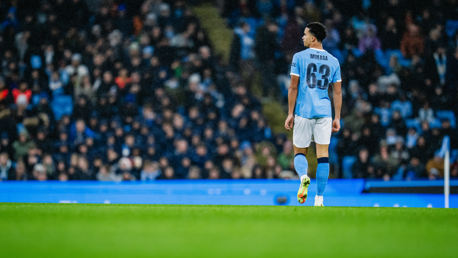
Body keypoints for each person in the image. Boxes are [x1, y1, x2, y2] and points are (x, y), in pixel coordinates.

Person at [285, 22, 342, 206]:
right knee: (323, 155)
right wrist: (337, 117)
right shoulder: (334, 61)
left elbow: (293, 87)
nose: (303, 37)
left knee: (300, 151)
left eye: (305, 34)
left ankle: (303, 177)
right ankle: (319, 199)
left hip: (304, 111)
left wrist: (290, 113)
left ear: (313, 38)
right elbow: (337, 92)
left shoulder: (299, 57)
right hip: (325, 112)